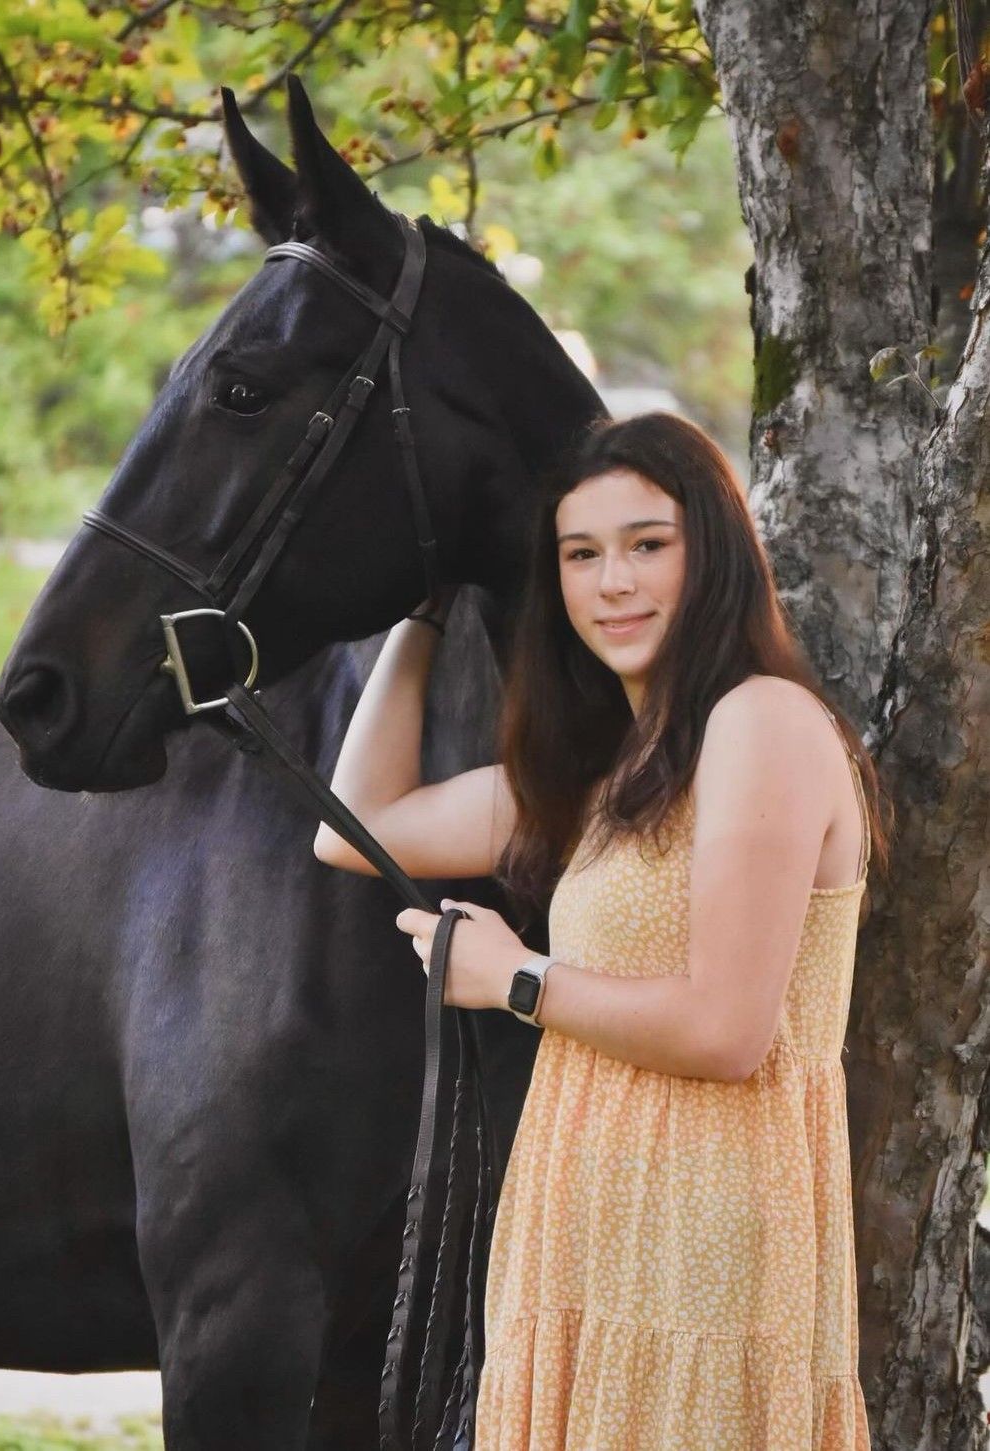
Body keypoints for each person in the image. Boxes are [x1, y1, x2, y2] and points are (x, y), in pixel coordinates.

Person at [313, 412, 892, 1450]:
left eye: (646, 544)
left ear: (713, 552)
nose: (612, 582)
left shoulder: (761, 720)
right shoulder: (605, 777)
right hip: (582, 1238)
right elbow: (352, 824)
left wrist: (515, 976)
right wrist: (423, 614)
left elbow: (727, 1029)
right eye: (580, 555)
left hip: (702, 1251)